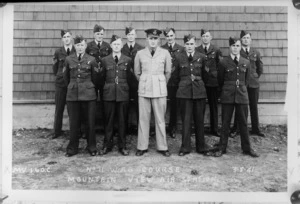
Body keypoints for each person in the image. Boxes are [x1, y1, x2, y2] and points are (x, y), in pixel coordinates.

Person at [214, 36, 259, 157]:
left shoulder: (246, 62)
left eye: (238, 46)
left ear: (240, 47)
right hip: (228, 94)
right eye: (233, 46)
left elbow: (247, 80)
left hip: (242, 94)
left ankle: (247, 148)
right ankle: (222, 148)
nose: (235, 48)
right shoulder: (223, 62)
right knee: (225, 123)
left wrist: (241, 89)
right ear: (229, 47)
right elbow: (220, 80)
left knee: (243, 123)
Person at [134, 28, 172, 157]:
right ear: (147, 40)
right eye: (151, 38)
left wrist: (159, 82)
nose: (153, 41)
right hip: (144, 89)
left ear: (159, 40)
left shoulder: (165, 53)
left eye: (155, 39)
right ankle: (142, 146)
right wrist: (146, 81)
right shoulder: (140, 54)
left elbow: (168, 72)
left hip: (160, 89)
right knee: (143, 119)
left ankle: (162, 147)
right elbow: (137, 72)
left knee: (160, 119)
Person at [173, 34, 211, 156]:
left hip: (199, 92)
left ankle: (201, 147)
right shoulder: (178, 57)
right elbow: (175, 77)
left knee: (199, 120)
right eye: (187, 44)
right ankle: (185, 147)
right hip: (184, 93)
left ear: (195, 44)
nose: (189, 46)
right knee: (186, 120)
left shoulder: (202, 57)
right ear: (184, 45)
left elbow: (206, 76)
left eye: (192, 44)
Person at [63, 35, 99, 157]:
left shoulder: (92, 60)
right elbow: (66, 78)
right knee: (74, 123)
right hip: (73, 95)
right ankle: (72, 148)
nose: (80, 47)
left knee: (90, 122)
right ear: (74, 46)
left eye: (82, 45)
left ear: (85, 46)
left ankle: (92, 147)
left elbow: (95, 78)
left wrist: (88, 87)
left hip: (89, 96)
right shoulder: (68, 59)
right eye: (77, 45)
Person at [99, 35, 133, 156]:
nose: (117, 46)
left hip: (123, 93)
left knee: (123, 121)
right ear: (111, 46)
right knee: (108, 121)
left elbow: (130, 78)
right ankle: (107, 145)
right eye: (114, 44)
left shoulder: (128, 60)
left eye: (119, 44)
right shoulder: (105, 60)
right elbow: (101, 78)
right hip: (109, 94)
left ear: (122, 45)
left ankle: (122, 146)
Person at [86, 24, 112, 133]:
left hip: (104, 78)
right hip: (92, 79)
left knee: (104, 103)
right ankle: (88, 129)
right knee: (90, 103)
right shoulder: (88, 46)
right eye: (98, 34)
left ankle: (105, 128)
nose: (100, 36)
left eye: (101, 34)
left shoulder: (107, 46)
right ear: (94, 34)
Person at [49, 30, 75, 139]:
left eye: (68, 36)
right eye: (65, 37)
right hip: (60, 83)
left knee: (73, 109)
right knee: (59, 108)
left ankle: (75, 131)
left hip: (72, 83)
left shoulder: (76, 50)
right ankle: (57, 131)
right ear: (62, 39)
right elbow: (55, 68)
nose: (67, 39)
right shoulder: (58, 52)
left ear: (71, 38)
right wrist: (60, 75)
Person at [196, 29, 223, 137]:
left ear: (210, 37)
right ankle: (200, 129)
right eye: (203, 36)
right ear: (201, 38)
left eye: (207, 36)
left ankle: (214, 129)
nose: (205, 38)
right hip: (201, 82)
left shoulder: (216, 50)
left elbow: (220, 65)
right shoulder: (197, 50)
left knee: (213, 106)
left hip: (213, 82)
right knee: (200, 106)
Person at [240, 30, 265, 137]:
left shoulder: (256, 53)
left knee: (254, 106)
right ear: (241, 40)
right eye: (244, 38)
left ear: (251, 40)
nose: (246, 40)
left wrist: (254, 77)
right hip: (242, 84)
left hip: (254, 84)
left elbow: (260, 69)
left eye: (247, 38)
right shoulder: (238, 51)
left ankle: (255, 129)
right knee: (241, 107)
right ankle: (240, 129)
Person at [161, 27, 184, 138]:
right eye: (167, 36)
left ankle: (172, 127)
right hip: (164, 82)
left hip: (175, 82)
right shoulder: (161, 49)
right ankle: (160, 128)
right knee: (161, 105)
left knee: (174, 106)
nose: (169, 38)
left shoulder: (181, 49)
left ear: (174, 35)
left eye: (171, 36)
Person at [121, 27, 144, 135]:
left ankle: (140, 129)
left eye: (132, 34)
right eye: (129, 34)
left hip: (137, 82)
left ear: (135, 35)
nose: (131, 36)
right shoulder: (122, 48)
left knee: (138, 106)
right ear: (126, 36)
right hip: (124, 81)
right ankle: (124, 129)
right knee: (124, 106)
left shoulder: (141, 49)